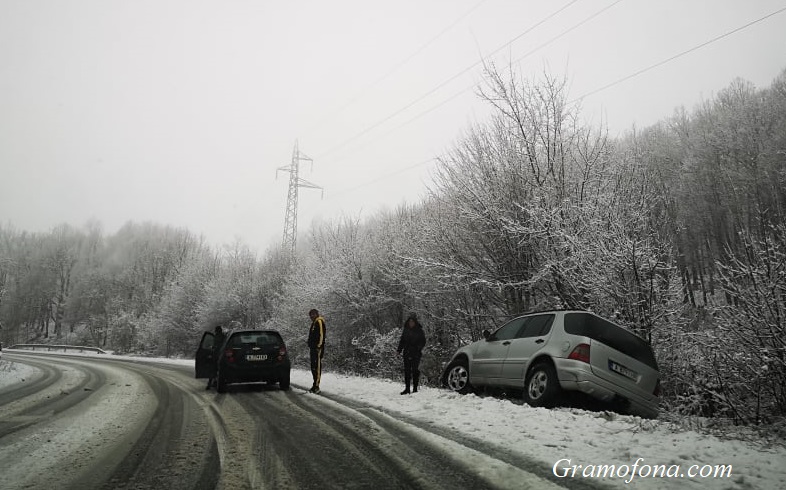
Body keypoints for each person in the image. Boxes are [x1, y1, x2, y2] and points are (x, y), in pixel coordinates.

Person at [397, 313, 426, 395]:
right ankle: (407, 388)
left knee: (415, 370)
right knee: (407, 371)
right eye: (410, 322)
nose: (411, 323)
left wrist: (418, 348)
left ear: (415, 322)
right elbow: (402, 341)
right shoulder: (405, 330)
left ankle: (415, 388)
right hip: (406, 352)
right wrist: (398, 350)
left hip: (416, 354)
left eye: (412, 322)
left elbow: (423, 341)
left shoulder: (419, 330)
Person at [307, 309, 326, 393]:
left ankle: (316, 386)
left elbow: (321, 335)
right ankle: (314, 384)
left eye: (313, 314)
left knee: (317, 367)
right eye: (310, 315)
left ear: (317, 314)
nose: (312, 316)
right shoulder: (314, 323)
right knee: (313, 367)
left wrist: (319, 346)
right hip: (312, 348)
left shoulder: (319, 322)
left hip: (317, 349)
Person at [207, 325, 226, 389]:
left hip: (216, 355)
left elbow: (214, 346)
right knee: (220, 369)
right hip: (223, 355)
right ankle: (215, 382)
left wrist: (212, 348)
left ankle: (210, 383)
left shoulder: (215, 337)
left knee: (213, 369)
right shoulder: (224, 337)